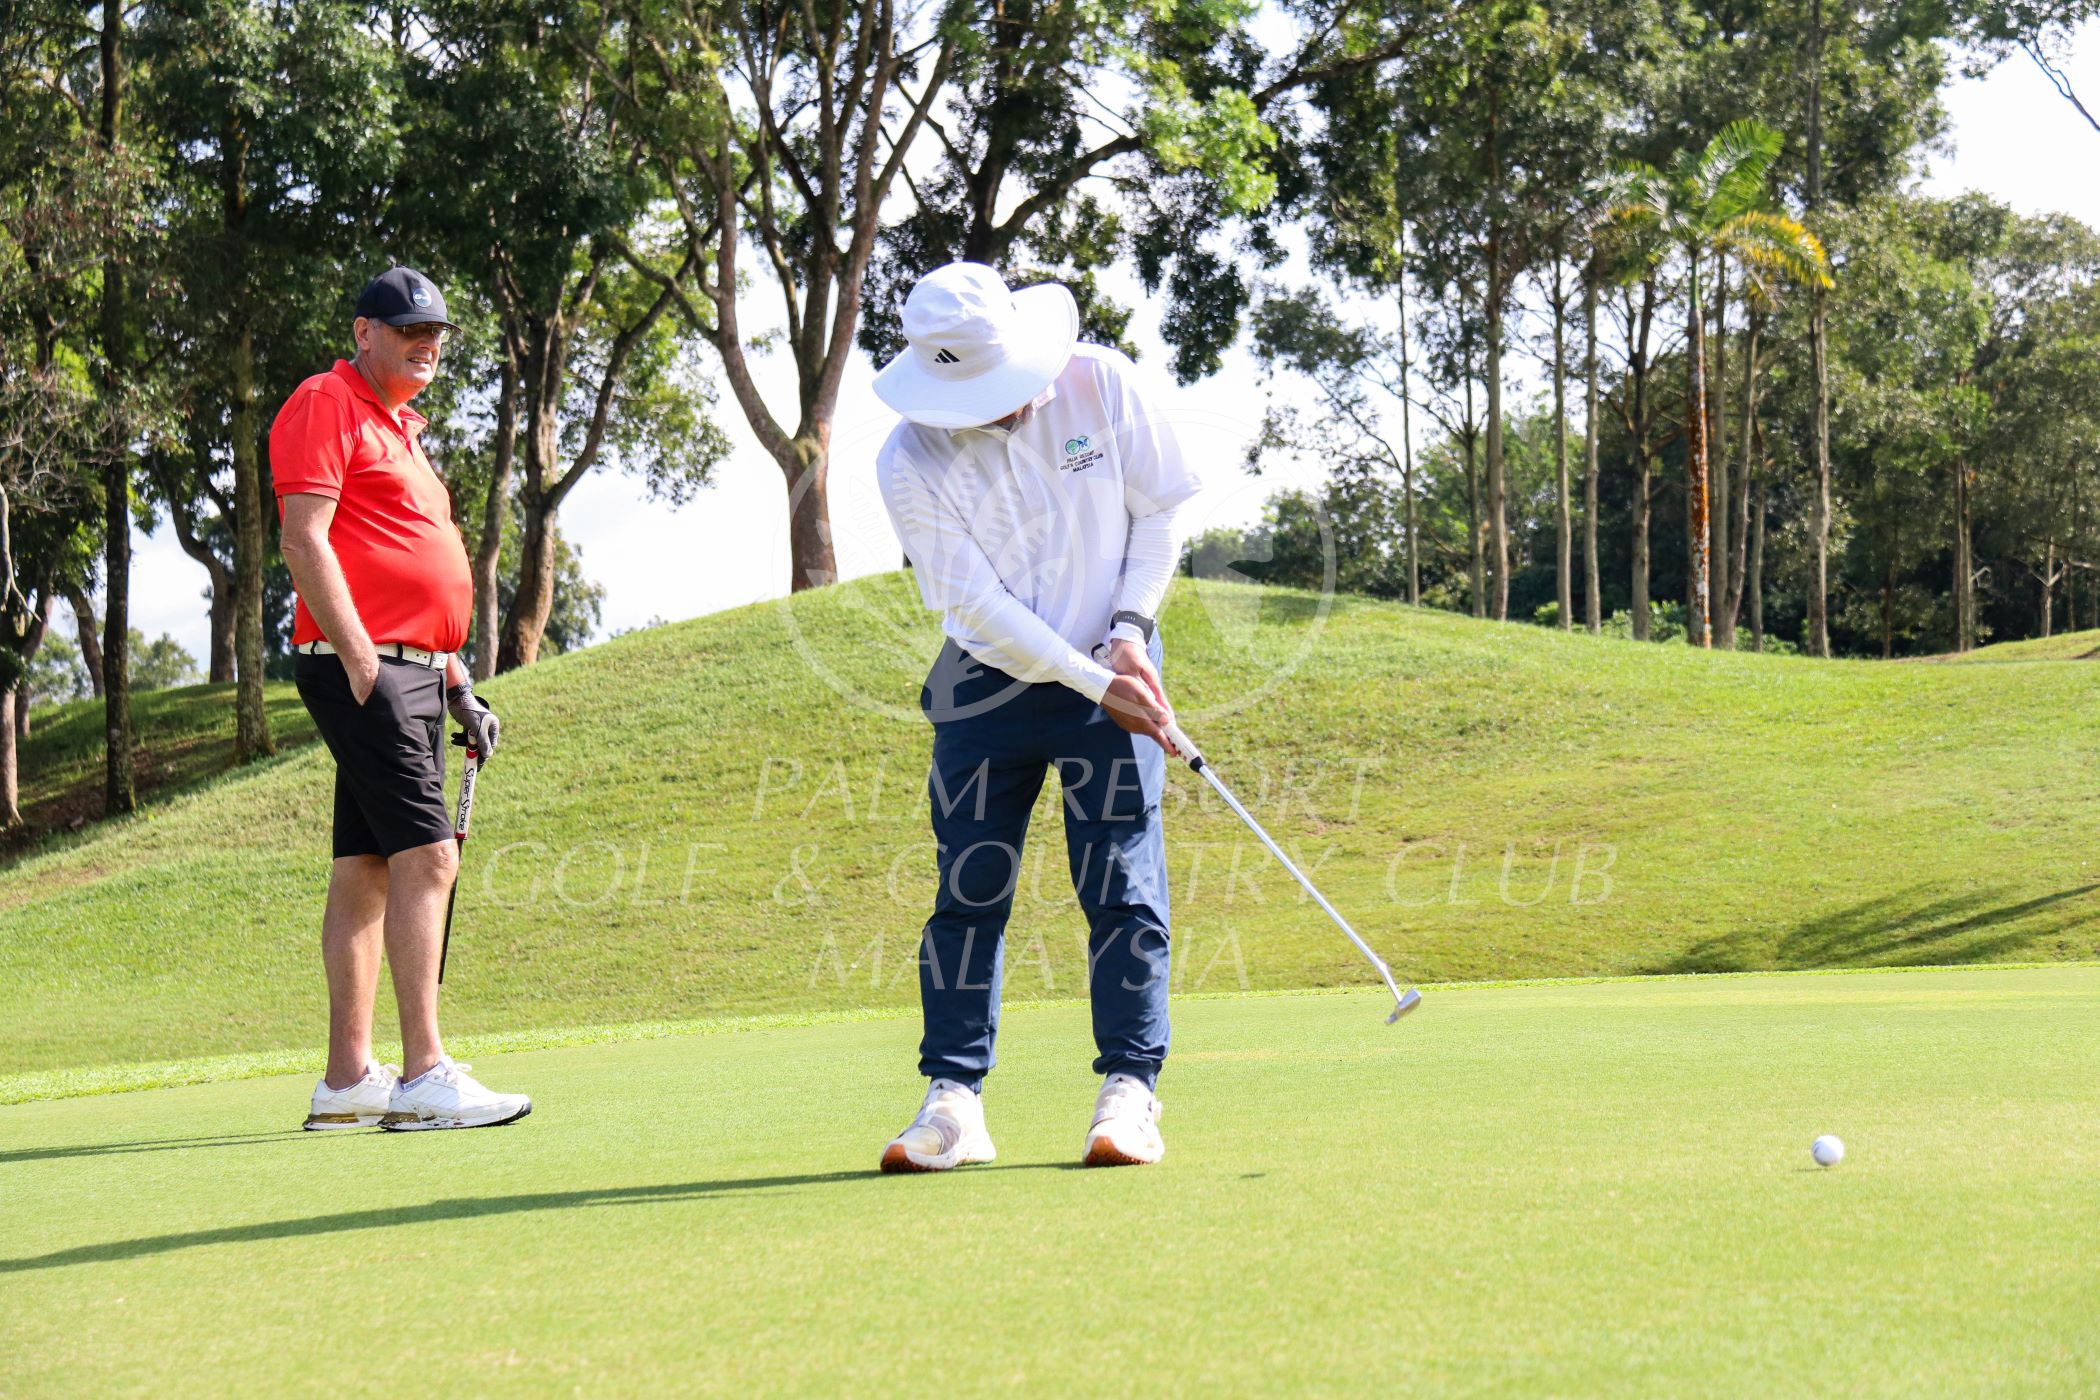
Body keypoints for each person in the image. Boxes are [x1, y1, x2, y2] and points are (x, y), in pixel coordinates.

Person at [872, 262, 1201, 1170]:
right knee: (969, 892)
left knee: (1122, 888)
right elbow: (976, 609)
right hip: (986, 686)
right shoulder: (908, 457)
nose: (1000, 407)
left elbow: (1163, 508)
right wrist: (1095, 684)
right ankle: (954, 1104)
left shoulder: (1101, 381)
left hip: (1115, 657)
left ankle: (1130, 1093)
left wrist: (1130, 632)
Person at [272, 266, 528, 1132]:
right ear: (364, 333)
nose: (427, 344)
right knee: (430, 858)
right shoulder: (325, 401)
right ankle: (424, 1075)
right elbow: (304, 537)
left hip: (416, 669)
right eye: (408, 329)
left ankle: (348, 1082)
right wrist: (360, 662)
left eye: (436, 333)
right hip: (368, 668)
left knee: (368, 867)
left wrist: (455, 682)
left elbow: (415, 570)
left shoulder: (402, 428)